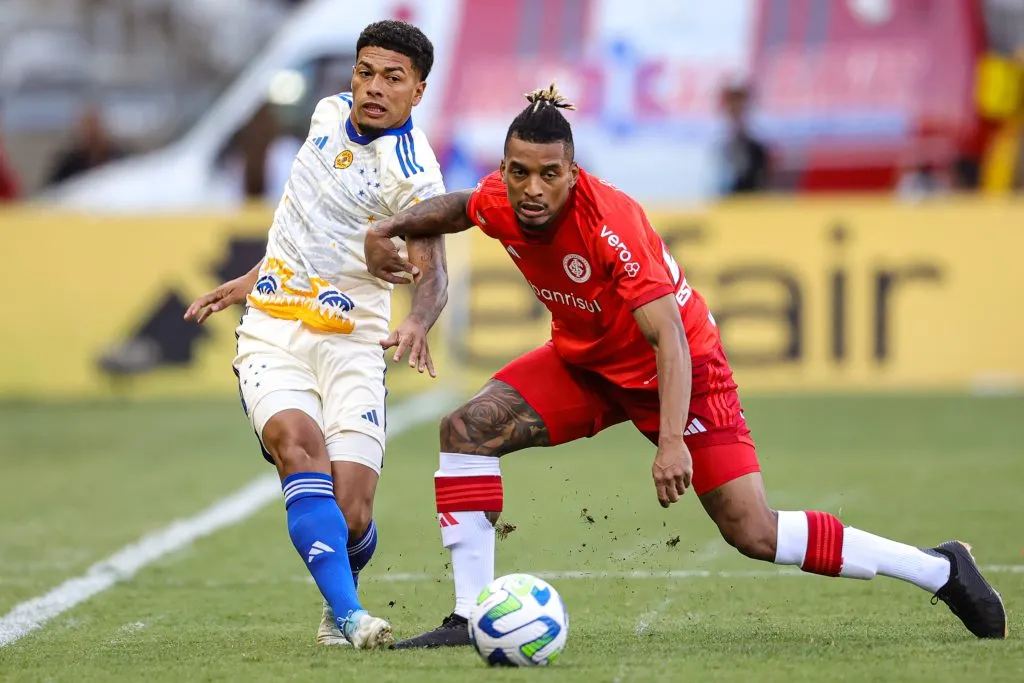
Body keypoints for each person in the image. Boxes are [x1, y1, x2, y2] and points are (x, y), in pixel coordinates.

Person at [363, 84, 1007, 648]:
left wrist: (671, 443)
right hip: (586, 366)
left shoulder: (611, 224)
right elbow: (456, 208)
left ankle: (941, 569)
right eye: (519, 171)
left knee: (753, 532)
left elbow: (668, 337)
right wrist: (388, 226)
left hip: (680, 372)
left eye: (549, 174)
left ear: (574, 171)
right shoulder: (504, 199)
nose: (532, 190)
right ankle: (470, 614)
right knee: (465, 431)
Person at [184, 20, 448, 649]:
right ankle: (353, 618)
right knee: (297, 449)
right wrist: (254, 278)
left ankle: (341, 591)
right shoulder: (325, 114)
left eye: (393, 78)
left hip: (354, 342)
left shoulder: (414, 176)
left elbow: (434, 272)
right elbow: (300, 221)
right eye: (366, 71)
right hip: (273, 331)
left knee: (353, 511)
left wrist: (416, 318)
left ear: (418, 91)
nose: (374, 87)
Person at [47, 107, 126, 186]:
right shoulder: (69, 163)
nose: (92, 132)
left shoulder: (120, 158)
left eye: (95, 126)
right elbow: (52, 190)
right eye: (88, 127)